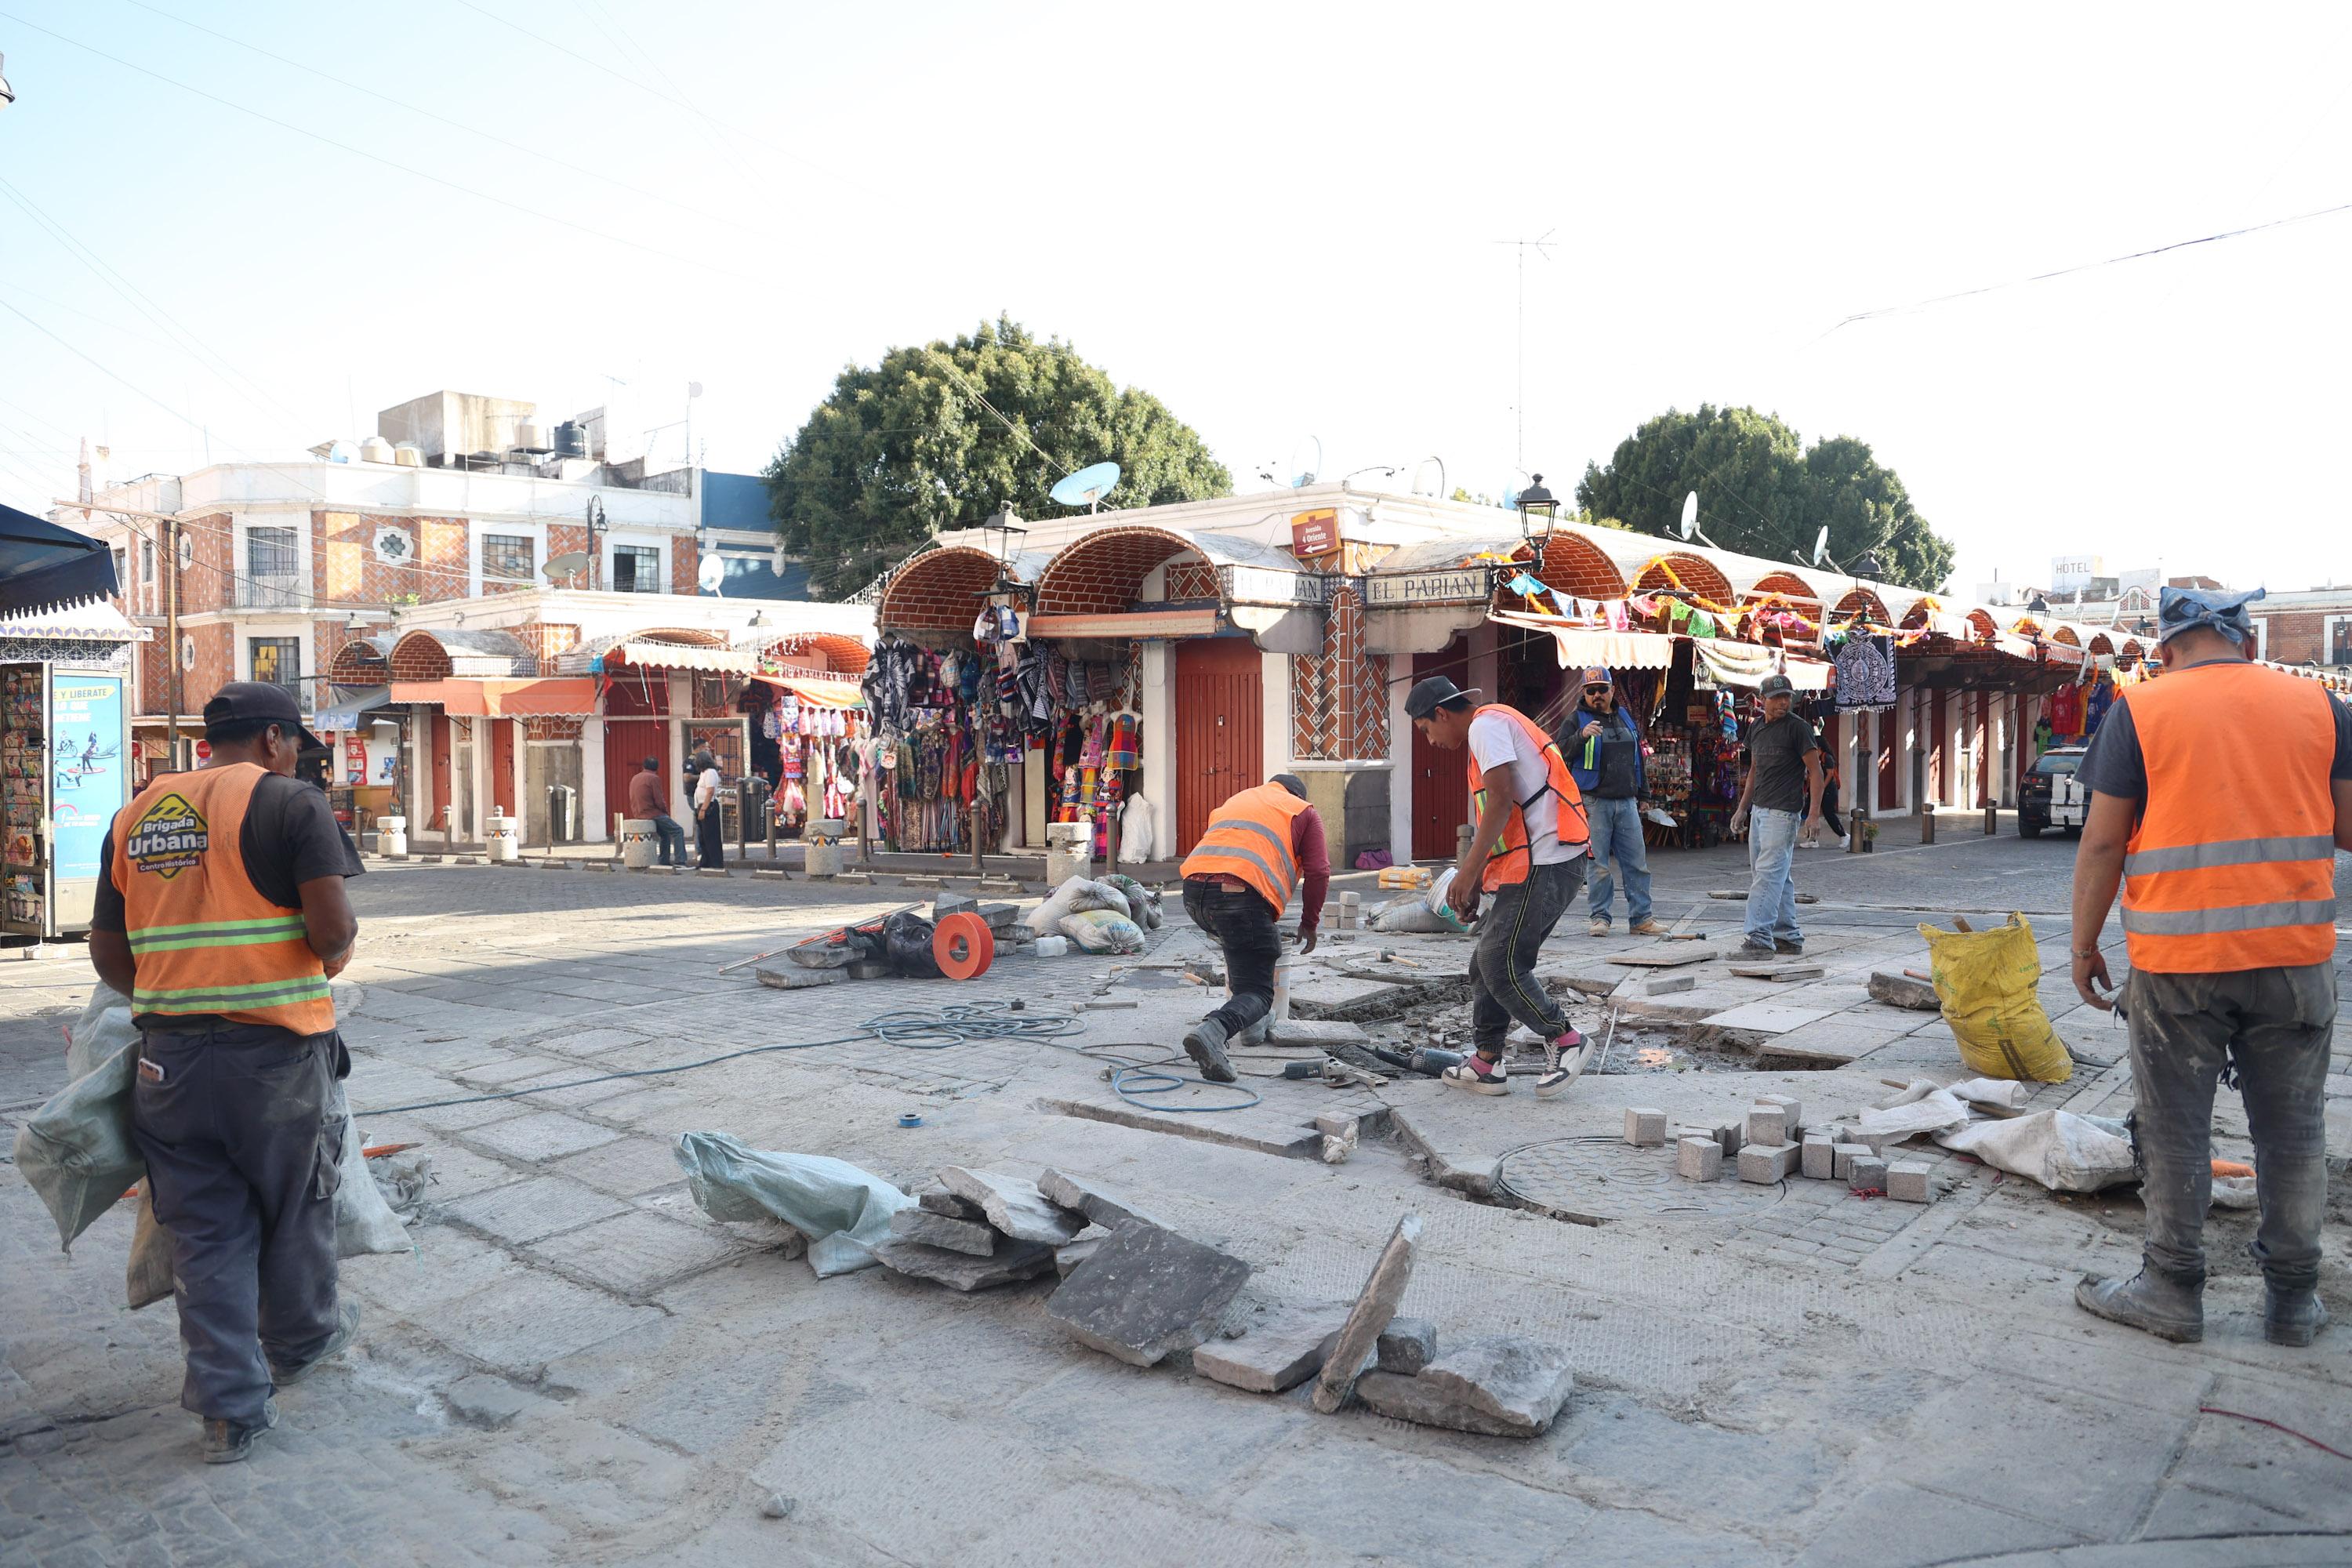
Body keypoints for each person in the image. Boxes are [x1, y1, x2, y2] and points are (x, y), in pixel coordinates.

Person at [87, 682, 363, 1463]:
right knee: (295, 1204)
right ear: (274, 739)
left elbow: (108, 954)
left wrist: (174, 997)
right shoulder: (290, 804)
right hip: (274, 1058)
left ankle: (226, 1407)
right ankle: (302, 1343)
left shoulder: (137, 812)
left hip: (166, 1063)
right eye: (295, 746)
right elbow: (332, 930)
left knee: (203, 1229)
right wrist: (328, 955)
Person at [2067, 586, 2346, 1348]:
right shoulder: (2319, 706)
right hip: (2294, 962)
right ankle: (2293, 1301)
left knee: (2175, 1128)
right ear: (2247, 642)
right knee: (2292, 1132)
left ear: (2166, 645)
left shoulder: (2143, 709)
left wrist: (2084, 944)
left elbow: (2101, 841)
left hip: (2179, 964)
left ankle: (2170, 1287)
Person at [1404, 676, 1589, 1099]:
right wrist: (1478, 881)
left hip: (1549, 860)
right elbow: (1504, 820)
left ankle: (1565, 1038)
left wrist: (1467, 873)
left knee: (1501, 962)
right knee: (1483, 963)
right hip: (1533, 863)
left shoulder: (1485, 726)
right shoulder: (1486, 732)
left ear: (1442, 714)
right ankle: (1487, 1062)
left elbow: (1503, 800)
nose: (1430, 741)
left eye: (1426, 730)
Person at [1177, 774, 1330, 1082]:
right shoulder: (1303, 811)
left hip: (1193, 895)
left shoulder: (1239, 801)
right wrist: (1309, 923)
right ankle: (1214, 1030)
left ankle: (1251, 1028)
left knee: (1243, 954)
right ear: (1298, 795)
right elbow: (1319, 872)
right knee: (1260, 991)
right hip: (1239, 896)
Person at [1729, 674, 1825, 956]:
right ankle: (1788, 935)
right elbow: (1754, 771)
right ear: (1763, 700)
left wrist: (1814, 814)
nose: (1784, 702)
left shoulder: (1799, 729)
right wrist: (1743, 808)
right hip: (1760, 809)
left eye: (1787, 697)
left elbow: (1816, 771)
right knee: (1774, 874)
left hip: (1783, 812)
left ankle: (1759, 937)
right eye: (1777, 697)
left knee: (1768, 875)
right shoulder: (1757, 728)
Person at [1563, 667, 1662, 938]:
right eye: (1591, 691)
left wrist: (1644, 795)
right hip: (1594, 802)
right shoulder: (1576, 720)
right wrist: (1581, 736)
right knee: (1599, 865)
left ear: (1612, 691)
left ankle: (1642, 918)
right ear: (1583, 693)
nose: (1597, 695)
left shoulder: (1624, 716)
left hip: (1627, 801)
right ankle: (1600, 918)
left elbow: (1637, 758)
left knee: (1637, 863)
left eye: (1602, 689)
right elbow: (1558, 752)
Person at [626, 756, 685, 866]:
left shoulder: (635, 777)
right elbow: (659, 800)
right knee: (678, 831)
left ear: (644, 766)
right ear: (657, 768)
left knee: (665, 834)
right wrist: (665, 812)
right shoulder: (654, 778)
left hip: (638, 812)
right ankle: (680, 861)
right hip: (652, 813)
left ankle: (664, 861)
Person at [691, 747, 725, 869]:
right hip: (700, 805)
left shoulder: (710, 772)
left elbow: (710, 792)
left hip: (708, 806)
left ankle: (715, 862)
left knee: (711, 837)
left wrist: (703, 809)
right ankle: (706, 862)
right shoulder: (704, 773)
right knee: (703, 837)